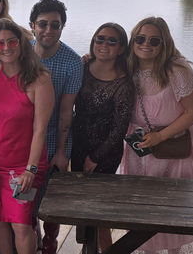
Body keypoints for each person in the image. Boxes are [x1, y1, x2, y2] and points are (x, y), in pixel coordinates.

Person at [120, 16, 193, 254]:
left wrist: (161, 136)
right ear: (133, 40)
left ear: (164, 43)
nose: (145, 44)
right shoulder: (128, 68)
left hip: (175, 148)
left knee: (175, 208)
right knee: (143, 207)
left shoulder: (178, 71)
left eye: (154, 40)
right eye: (140, 38)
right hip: (140, 150)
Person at [0, 19, 55, 254]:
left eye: (12, 41)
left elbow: (40, 130)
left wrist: (30, 169)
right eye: (0, 43)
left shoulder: (39, 79)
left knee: (21, 225)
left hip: (23, 168)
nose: (6, 47)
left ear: (22, 44)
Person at [71, 22, 135, 252]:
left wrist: (96, 157)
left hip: (105, 153)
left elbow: (120, 129)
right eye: (100, 39)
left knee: (98, 212)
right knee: (81, 205)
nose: (104, 44)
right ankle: (88, 249)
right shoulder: (83, 66)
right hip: (77, 146)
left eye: (111, 41)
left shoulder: (124, 84)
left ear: (121, 48)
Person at [28, 0, 83, 254]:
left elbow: (66, 111)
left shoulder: (72, 61)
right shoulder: (21, 54)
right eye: (42, 24)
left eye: (55, 25)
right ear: (32, 26)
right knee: (25, 202)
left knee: (51, 203)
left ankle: (50, 246)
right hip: (24, 139)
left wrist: (62, 151)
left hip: (53, 138)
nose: (48, 30)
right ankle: (32, 240)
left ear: (62, 27)